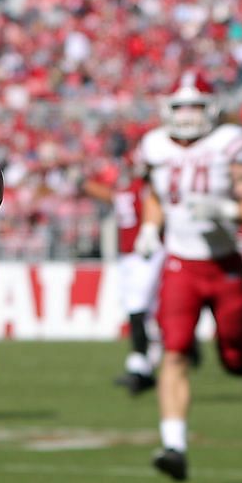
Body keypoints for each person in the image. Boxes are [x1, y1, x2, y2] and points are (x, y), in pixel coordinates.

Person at [134, 70, 242, 482]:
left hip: (223, 263)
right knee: (174, 351)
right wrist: (148, 226)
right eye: (182, 106)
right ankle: (173, 445)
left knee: (233, 356)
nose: (189, 115)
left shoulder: (230, 144)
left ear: (212, 109)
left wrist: (224, 211)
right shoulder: (155, 146)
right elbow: (157, 193)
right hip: (180, 264)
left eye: (197, 105)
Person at [82, 146, 160, 392]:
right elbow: (107, 194)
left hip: (146, 253)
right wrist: (83, 182)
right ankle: (144, 363)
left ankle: (139, 365)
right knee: (137, 310)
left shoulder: (149, 189)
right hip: (128, 256)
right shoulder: (128, 189)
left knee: (139, 308)